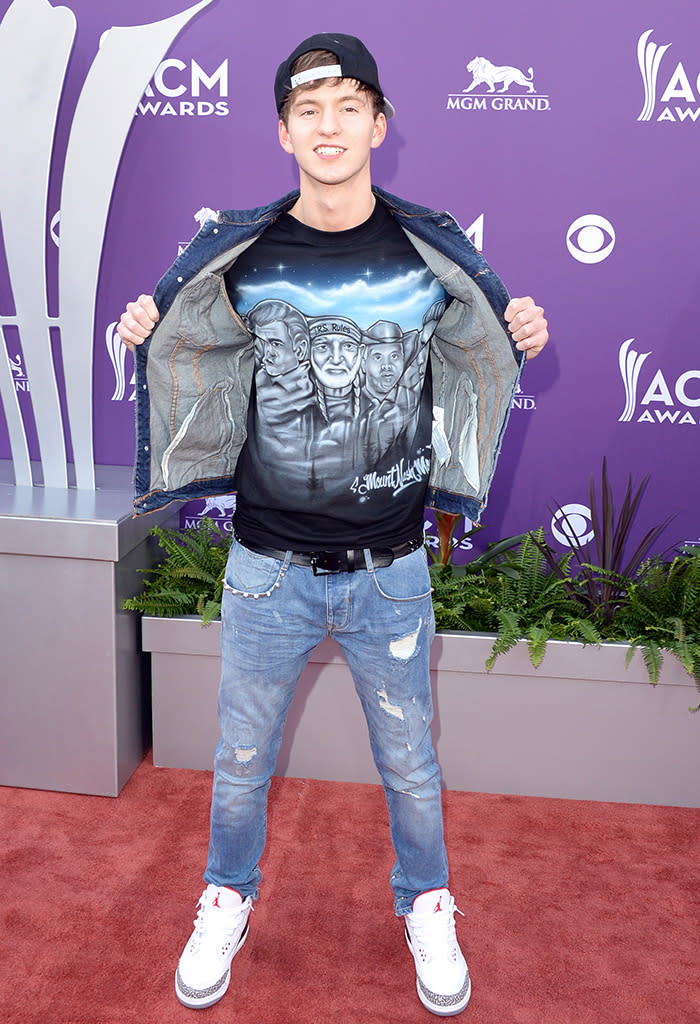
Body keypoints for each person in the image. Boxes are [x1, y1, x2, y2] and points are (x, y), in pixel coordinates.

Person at [117, 32, 548, 1017]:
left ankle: (427, 902)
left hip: (389, 570)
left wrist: (516, 330)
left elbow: (480, 337)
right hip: (266, 567)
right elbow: (190, 336)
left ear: (377, 125)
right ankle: (226, 896)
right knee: (238, 759)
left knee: (410, 759)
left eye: (347, 106)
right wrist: (150, 329)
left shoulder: (426, 246)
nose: (328, 125)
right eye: (308, 109)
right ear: (282, 130)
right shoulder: (247, 249)